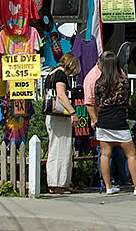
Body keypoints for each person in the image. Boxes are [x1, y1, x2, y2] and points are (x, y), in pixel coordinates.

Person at [94, 51, 136, 196]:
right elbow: (128, 99)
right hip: (119, 120)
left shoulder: (99, 82)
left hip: (103, 120)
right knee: (131, 154)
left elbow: (97, 101)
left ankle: (108, 186)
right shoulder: (123, 81)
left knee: (105, 154)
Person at [84, 52, 131, 189]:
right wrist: (94, 120)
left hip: (117, 117)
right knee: (106, 153)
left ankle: (123, 179)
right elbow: (90, 102)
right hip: (103, 118)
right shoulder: (92, 78)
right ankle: (107, 182)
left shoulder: (117, 73)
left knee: (120, 152)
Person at [45, 53, 80, 194]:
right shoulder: (60, 76)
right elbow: (61, 95)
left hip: (53, 117)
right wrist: (72, 112)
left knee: (58, 147)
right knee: (60, 148)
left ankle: (60, 182)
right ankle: (57, 183)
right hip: (59, 117)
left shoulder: (51, 73)